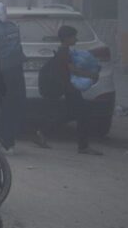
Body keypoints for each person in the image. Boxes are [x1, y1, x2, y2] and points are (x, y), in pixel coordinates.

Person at [35, 26, 102, 155]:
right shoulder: (64, 52)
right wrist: (91, 75)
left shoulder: (65, 51)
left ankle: (43, 132)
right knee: (82, 114)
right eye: (73, 36)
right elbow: (73, 70)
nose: (76, 39)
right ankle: (83, 146)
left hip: (68, 87)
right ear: (66, 38)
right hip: (69, 87)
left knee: (73, 113)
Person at [0, 2, 26, 153]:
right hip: (16, 72)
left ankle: (1, 139)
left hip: (0, 73)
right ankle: (9, 141)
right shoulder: (13, 27)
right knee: (12, 106)